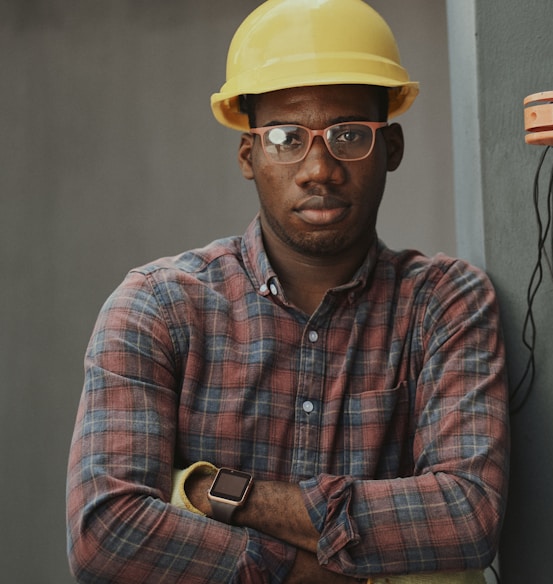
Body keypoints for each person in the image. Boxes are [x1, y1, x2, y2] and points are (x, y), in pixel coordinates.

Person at [65, 1, 509, 582]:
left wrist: (218, 492)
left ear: (392, 149)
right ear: (250, 155)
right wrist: (298, 571)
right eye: (285, 137)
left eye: (349, 135)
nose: (319, 168)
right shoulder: (159, 308)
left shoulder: (444, 303)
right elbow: (107, 534)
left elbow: (466, 517)